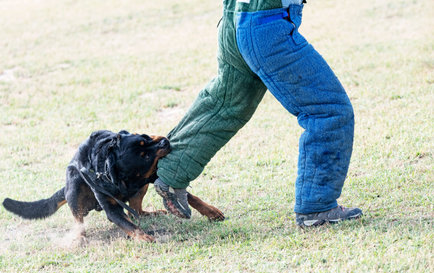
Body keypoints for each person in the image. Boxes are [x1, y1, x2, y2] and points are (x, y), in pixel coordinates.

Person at [154, 0, 363, 227]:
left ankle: (170, 175)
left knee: (227, 104)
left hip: (234, 18)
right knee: (328, 111)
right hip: (266, 24)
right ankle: (317, 208)